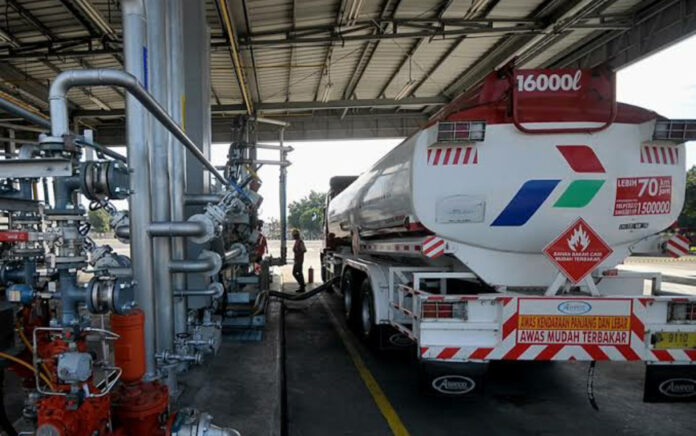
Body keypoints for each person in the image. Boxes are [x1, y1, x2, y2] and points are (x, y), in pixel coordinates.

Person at [292, 228, 306, 293]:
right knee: (299, 273)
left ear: (296, 235)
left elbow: (304, 250)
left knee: (295, 273)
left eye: (294, 235)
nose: (293, 236)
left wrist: (298, 254)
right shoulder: (296, 241)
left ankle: (302, 285)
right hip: (297, 260)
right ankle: (302, 285)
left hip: (299, 260)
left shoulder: (300, 241)